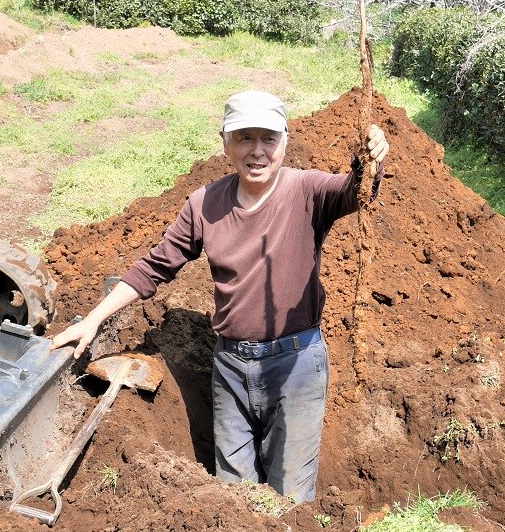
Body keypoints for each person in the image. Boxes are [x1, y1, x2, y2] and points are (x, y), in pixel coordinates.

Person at [51, 89, 389, 504]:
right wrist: (92, 319)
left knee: (291, 500)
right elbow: (155, 266)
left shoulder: (308, 191)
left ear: (285, 140)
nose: (257, 151)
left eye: (269, 138)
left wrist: (371, 159)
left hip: (296, 365)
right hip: (230, 368)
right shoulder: (205, 204)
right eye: (244, 138)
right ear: (225, 142)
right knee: (234, 501)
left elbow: (355, 191)